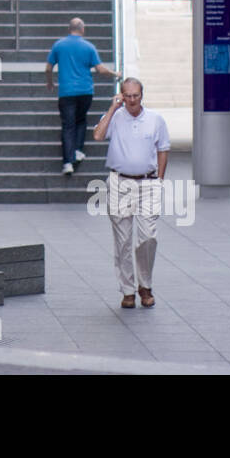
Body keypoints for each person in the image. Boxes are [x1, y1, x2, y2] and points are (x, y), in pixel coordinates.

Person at [93, 78, 170, 309]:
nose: (132, 100)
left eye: (136, 95)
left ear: (142, 95)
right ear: (121, 95)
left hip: (148, 183)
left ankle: (145, 284)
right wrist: (112, 108)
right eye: (127, 95)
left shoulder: (155, 119)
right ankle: (128, 290)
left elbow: (163, 149)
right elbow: (98, 135)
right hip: (120, 182)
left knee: (148, 236)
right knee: (123, 240)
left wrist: (160, 180)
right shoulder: (115, 117)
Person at [45, 18, 118, 175]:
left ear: (69, 28)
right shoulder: (89, 47)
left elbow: (48, 68)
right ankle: (77, 150)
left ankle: (67, 163)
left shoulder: (59, 45)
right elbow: (100, 70)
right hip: (85, 91)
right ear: (82, 29)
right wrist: (115, 74)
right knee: (81, 120)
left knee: (68, 125)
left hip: (66, 92)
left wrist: (50, 83)